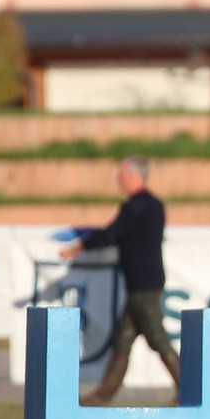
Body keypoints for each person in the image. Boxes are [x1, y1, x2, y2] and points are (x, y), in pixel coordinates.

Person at [62, 155, 177, 404]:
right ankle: (103, 395)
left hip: (143, 284)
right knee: (123, 340)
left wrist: (79, 247)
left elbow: (111, 233)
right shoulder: (154, 205)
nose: (118, 180)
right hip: (143, 282)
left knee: (157, 339)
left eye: (122, 175)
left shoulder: (136, 207)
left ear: (134, 176)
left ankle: (187, 388)